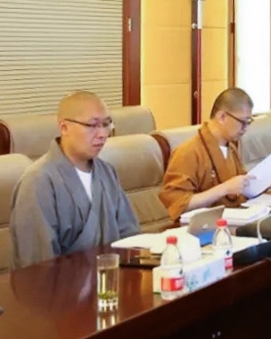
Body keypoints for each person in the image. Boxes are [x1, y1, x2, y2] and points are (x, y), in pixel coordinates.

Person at [9, 91, 140, 268]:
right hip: (59, 284)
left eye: (106, 124)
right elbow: (37, 264)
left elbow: (129, 236)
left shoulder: (106, 172)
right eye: (92, 125)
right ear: (64, 127)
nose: (103, 134)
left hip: (112, 278)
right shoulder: (38, 181)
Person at [159, 88, 256, 220]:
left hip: (235, 220)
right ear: (222, 117)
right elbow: (179, 204)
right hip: (202, 227)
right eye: (243, 122)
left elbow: (239, 190)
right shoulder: (188, 152)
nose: (246, 128)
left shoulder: (231, 148)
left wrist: (262, 186)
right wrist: (224, 189)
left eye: (249, 122)